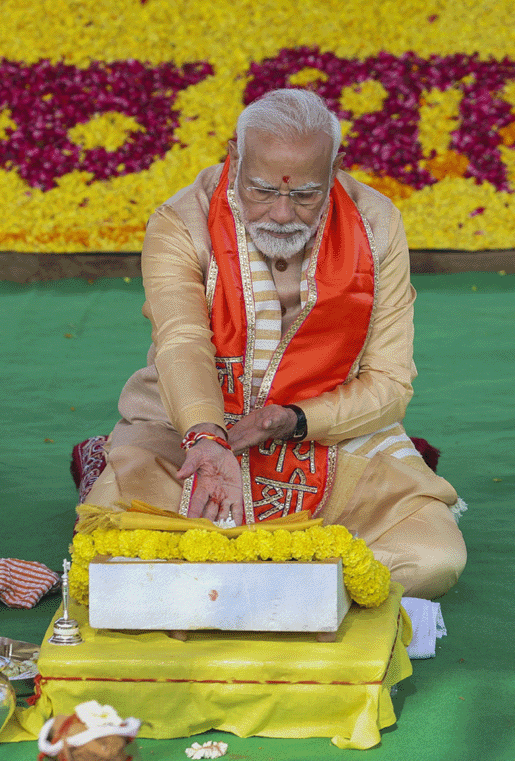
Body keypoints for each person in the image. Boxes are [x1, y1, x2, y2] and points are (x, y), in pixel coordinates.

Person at [86, 88, 466, 600]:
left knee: (433, 560)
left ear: (335, 169)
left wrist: (295, 420)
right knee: (111, 559)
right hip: (186, 431)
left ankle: (237, 586)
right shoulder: (181, 223)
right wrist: (205, 435)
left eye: (306, 194)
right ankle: (304, 587)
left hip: (332, 434)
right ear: (235, 157)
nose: (283, 214)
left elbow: (391, 383)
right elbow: (182, 343)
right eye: (263, 190)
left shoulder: (376, 224)